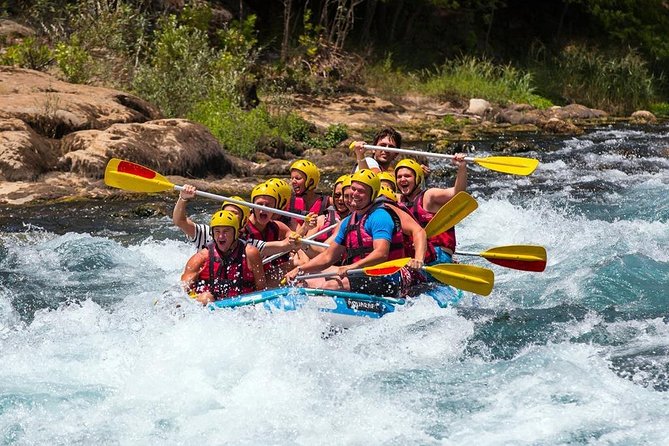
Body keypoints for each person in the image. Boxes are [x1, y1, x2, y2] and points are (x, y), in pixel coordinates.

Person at [284, 170, 424, 297]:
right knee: (307, 280)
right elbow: (328, 256)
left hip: (391, 275)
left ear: (372, 195)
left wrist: (351, 267)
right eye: (353, 189)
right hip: (361, 274)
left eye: (361, 191)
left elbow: (381, 254)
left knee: (331, 285)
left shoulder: (380, 216)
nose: (355, 194)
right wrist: (300, 270)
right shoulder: (347, 222)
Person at [181, 210, 266, 304]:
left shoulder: (250, 253)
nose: (221, 236)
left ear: (236, 233)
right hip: (211, 308)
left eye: (226, 231)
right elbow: (182, 291)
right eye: (217, 231)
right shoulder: (200, 258)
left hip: (243, 305)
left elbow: (261, 289)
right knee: (206, 297)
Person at [395, 156, 467, 263]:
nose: (402, 179)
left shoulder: (429, 196)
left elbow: (458, 192)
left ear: (418, 178)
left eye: (407, 176)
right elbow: (371, 189)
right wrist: (361, 156)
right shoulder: (397, 200)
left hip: (438, 254)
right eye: (399, 176)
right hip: (413, 256)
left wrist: (462, 167)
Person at [172, 184, 252, 251]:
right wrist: (182, 198)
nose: (229, 216)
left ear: (244, 221)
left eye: (234, 213)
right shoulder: (206, 233)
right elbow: (180, 221)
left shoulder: (250, 245)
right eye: (226, 212)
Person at [287, 160, 332, 229]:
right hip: (295, 236)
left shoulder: (327, 201)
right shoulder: (289, 201)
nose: (293, 181)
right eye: (292, 178)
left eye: (298, 178)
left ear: (310, 181)